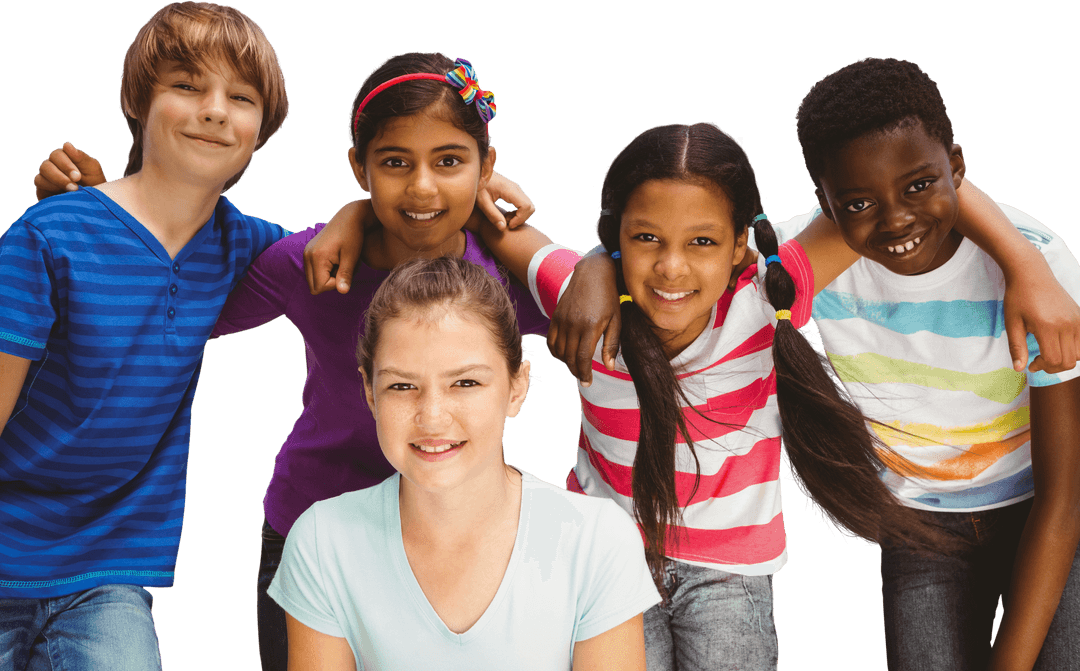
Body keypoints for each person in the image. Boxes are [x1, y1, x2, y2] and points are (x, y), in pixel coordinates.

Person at [32, 51, 546, 670]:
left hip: (453, 537)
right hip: (309, 528)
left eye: (449, 161)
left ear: (487, 167)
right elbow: (174, 293)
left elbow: (614, 293)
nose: (422, 188)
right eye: (394, 162)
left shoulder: (506, 276)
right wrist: (98, 214)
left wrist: (542, 251)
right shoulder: (317, 264)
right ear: (358, 167)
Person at [519, 122, 1080, 670]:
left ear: (738, 245)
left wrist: (1023, 260)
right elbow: (500, 230)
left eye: (703, 242)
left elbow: (911, 180)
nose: (671, 267)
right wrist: (594, 264)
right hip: (613, 559)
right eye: (645, 239)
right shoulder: (581, 302)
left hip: (728, 576)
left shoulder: (767, 296)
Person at [0, 3, 289, 668]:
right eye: (187, 85)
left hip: (108, 572)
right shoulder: (48, 235)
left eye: (241, 98)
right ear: (137, 99)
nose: (214, 111)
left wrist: (361, 216)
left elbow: (345, 246)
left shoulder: (243, 245)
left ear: (263, 128)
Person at [777, 57, 1080, 671]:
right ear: (824, 204)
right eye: (858, 202)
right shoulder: (805, 269)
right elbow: (689, 253)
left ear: (957, 168)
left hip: (1043, 512)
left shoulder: (1041, 271)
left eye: (918, 186)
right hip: (920, 524)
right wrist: (603, 264)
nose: (896, 220)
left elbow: (1064, 497)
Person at [267, 256, 660, 670]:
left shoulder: (597, 542)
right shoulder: (322, 543)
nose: (433, 417)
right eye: (401, 386)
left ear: (517, 387)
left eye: (465, 382)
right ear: (370, 393)